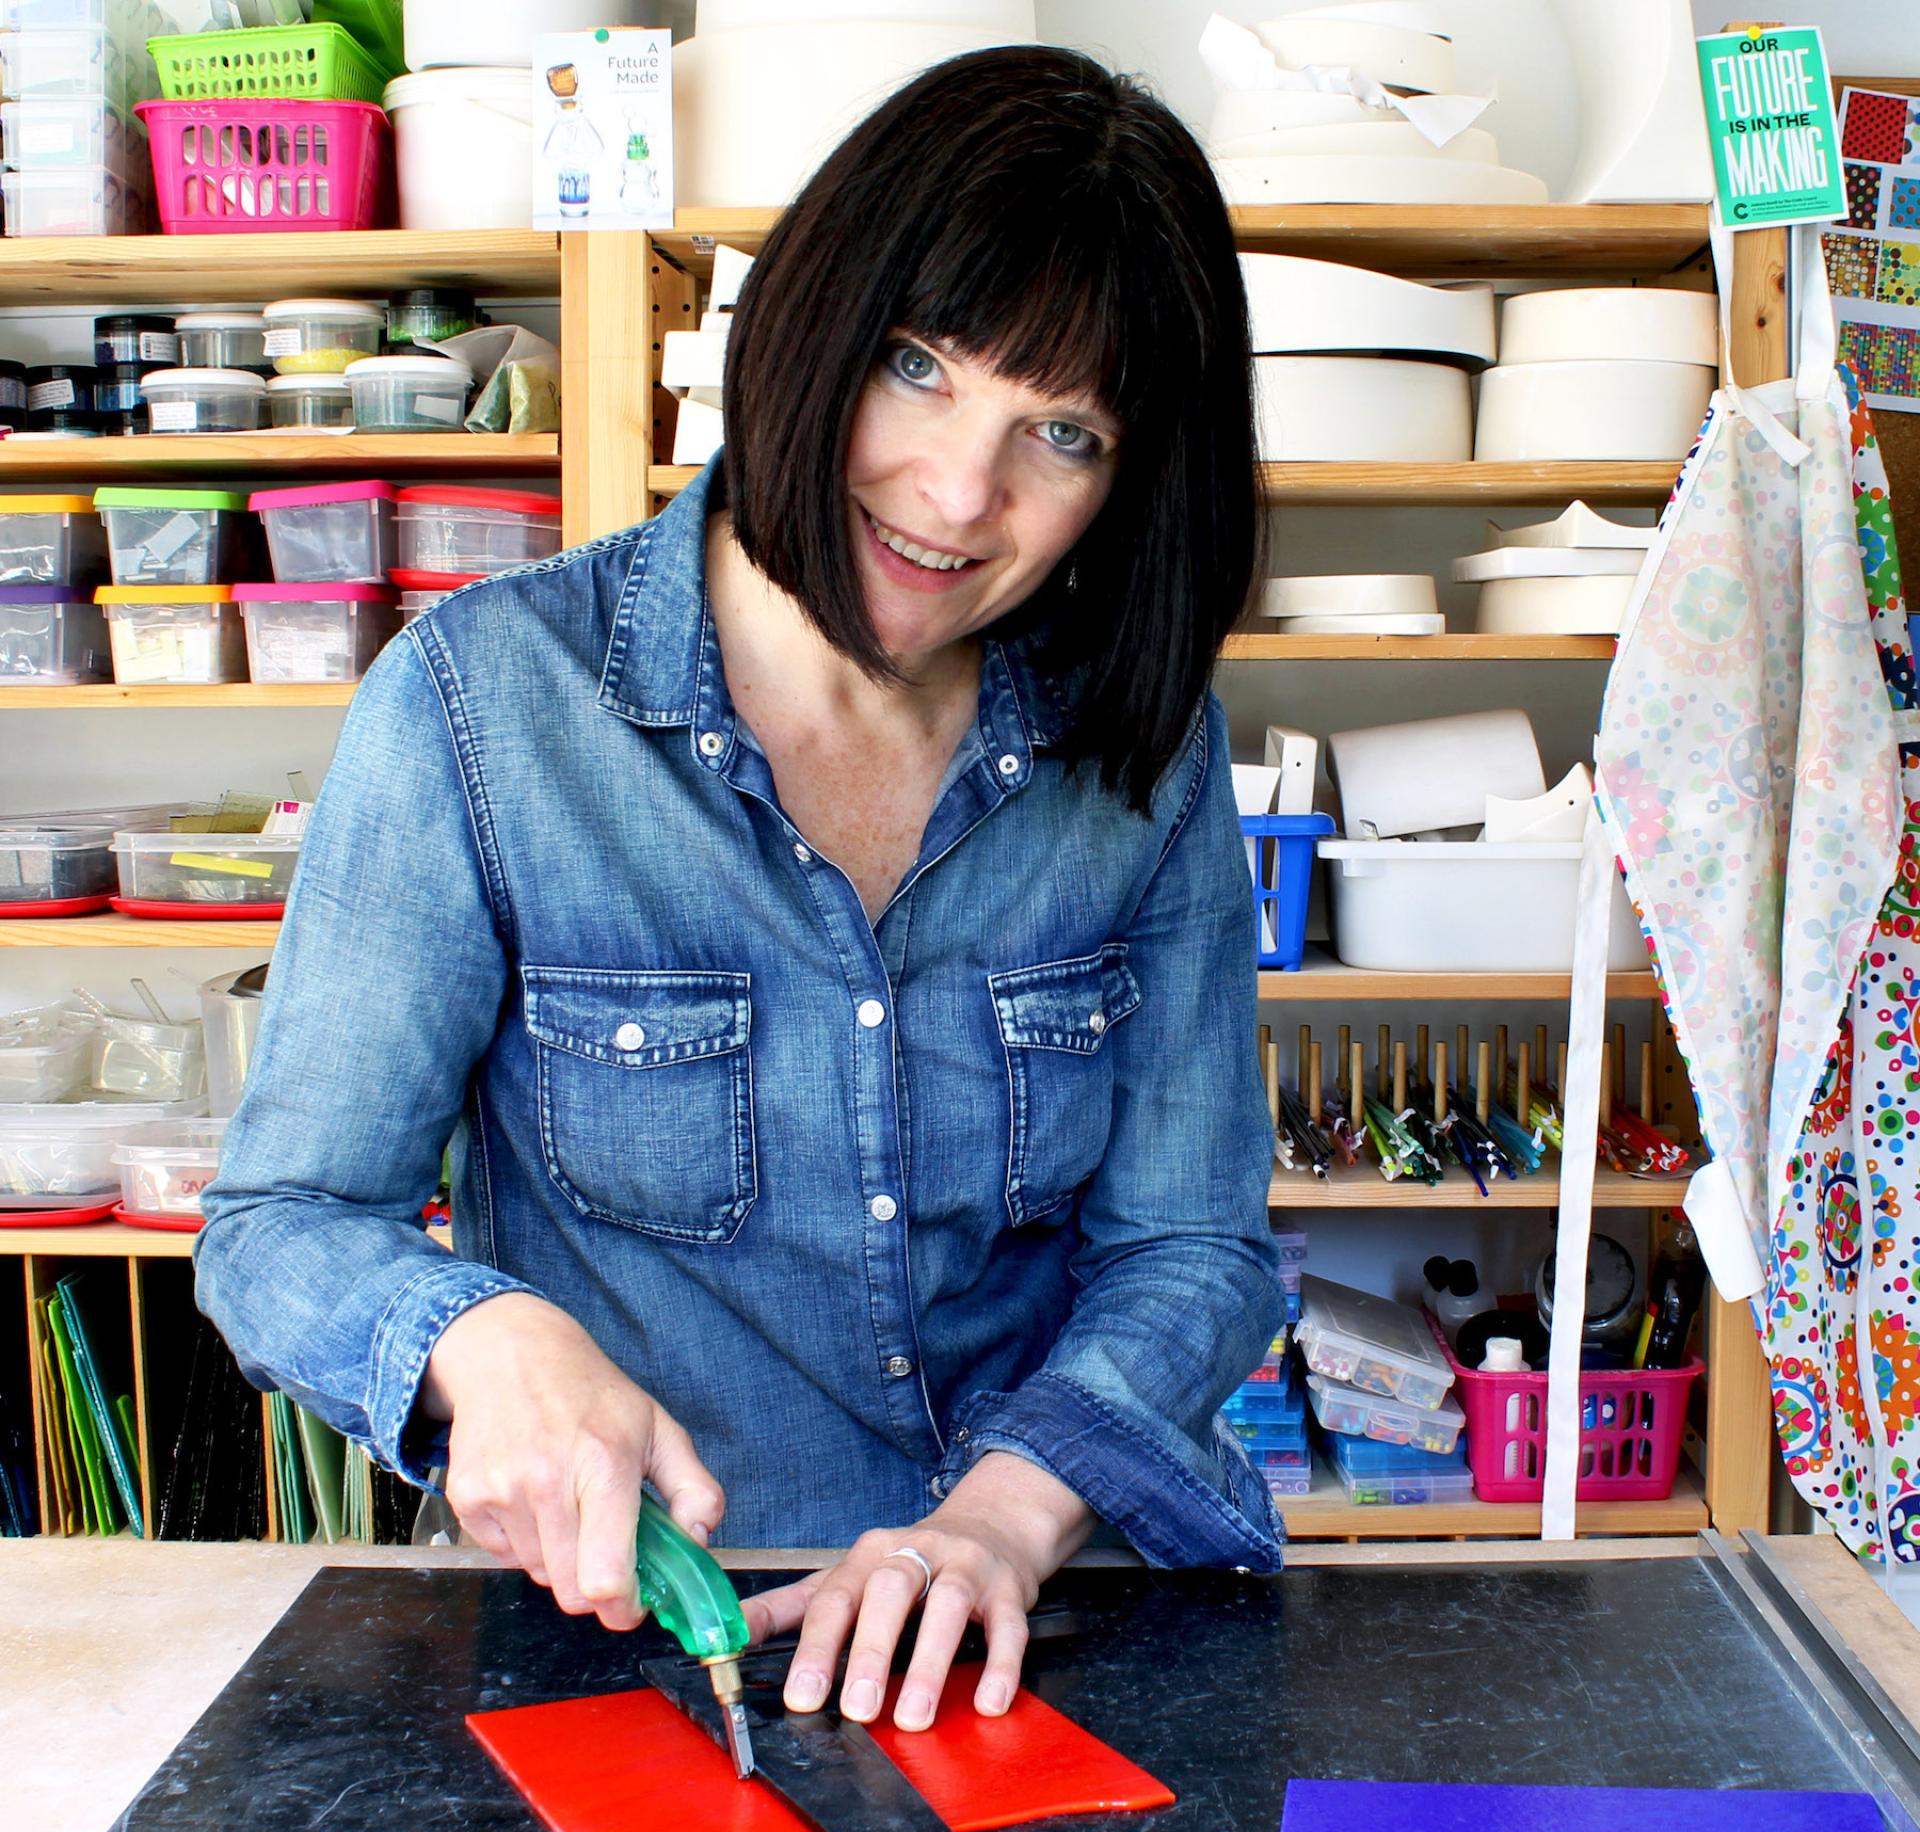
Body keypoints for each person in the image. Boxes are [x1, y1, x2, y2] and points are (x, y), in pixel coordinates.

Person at [197, 44, 1283, 1740]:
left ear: (1131, 484)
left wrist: (998, 1518)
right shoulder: (487, 707)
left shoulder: (1139, 744)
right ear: (815, 323)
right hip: (629, 1650)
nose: (957, 495)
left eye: (1057, 433)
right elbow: (280, 1228)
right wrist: (478, 1341)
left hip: (1049, 1630)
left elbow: (1192, 1246)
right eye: (918, 370)